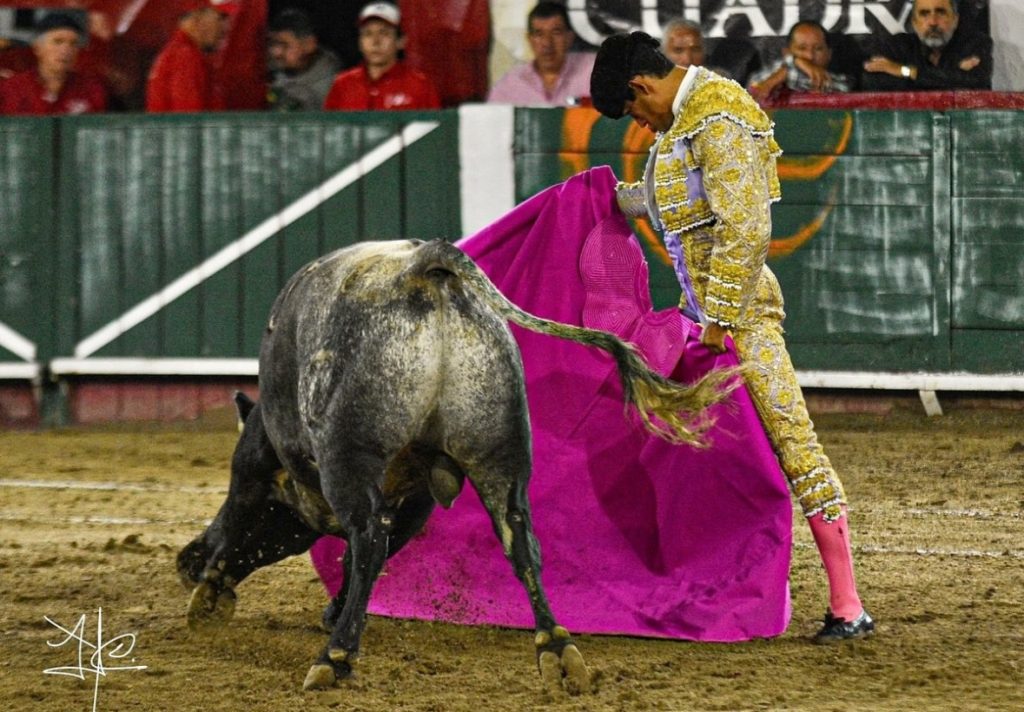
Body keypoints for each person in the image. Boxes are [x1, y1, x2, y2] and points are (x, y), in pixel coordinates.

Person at [589, 31, 875, 643]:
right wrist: (603, 202)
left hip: (738, 322)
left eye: (633, 111)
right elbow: (671, 206)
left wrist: (719, 323)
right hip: (705, 324)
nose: (638, 122)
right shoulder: (680, 128)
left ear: (640, 86)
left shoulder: (718, 115)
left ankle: (848, 605)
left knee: (791, 439)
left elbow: (746, 230)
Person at [323, 2, 439, 111]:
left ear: (400, 41)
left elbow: (436, 129)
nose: (375, 42)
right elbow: (328, 128)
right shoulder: (343, 84)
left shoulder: (420, 85)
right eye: (368, 34)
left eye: (384, 33)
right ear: (360, 42)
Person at [862, 0, 992, 90]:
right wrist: (952, 75)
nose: (933, 22)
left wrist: (904, 71)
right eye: (924, 14)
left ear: (955, 20)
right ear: (914, 22)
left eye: (940, 12)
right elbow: (875, 83)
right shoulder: (895, 47)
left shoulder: (976, 44)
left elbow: (977, 81)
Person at [487, 2, 594, 107]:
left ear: (570, 37)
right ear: (529, 40)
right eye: (539, 34)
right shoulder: (509, 87)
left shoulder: (594, 72)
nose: (547, 43)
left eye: (556, 33)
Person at [0, 12, 106, 115]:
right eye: (58, 41)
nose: (65, 50)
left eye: (73, 43)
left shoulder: (91, 89)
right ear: (37, 48)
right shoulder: (12, 89)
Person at [145, 0, 237, 112]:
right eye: (221, 17)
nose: (226, 27)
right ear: (197, 17)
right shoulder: (185, 58)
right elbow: (189, 122)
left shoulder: (178, 53)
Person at [748, 20, 852, 103]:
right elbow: (755, 88)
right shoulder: (770, 74)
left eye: (818, 49)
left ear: (829, 54)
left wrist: (792, 65)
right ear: (786, 53)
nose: (810, 56)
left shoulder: (840, 82)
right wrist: (794, 64)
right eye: (802, 48)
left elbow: (831, 87)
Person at [267, 8, 340, 111]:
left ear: (309, 45)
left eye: (284, 45)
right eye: (272, 43)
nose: (275, 52)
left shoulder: (335, 87)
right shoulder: (269, 72)